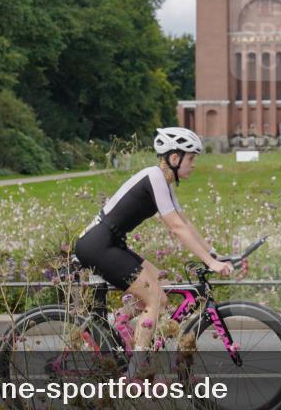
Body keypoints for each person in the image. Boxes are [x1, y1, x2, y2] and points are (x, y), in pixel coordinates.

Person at [74, 127, 243, 378]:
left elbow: (184, 222)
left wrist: (214, 255)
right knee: (153, 298)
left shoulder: (163, 182)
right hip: (98, 244)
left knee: (161, 289)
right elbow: (176, 228)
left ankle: (118, 324)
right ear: (174, 158)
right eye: (191, 158)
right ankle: (135, 374)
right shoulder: (154, 177)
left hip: (109, 243)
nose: (194, 164)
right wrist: (210, 262)